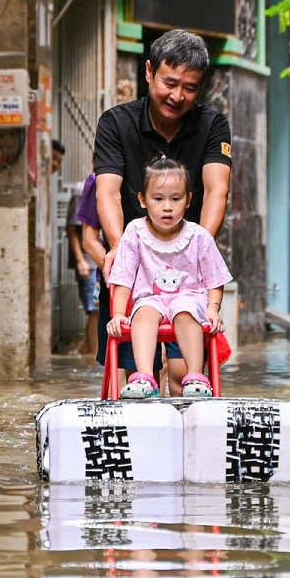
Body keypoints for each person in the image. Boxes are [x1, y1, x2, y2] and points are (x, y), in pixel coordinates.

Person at [92, 30, 233, 391]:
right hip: (133, 260)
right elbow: (107, 191)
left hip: (188, 272)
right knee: (130, 373)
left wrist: (196, 249)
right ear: (149, 71)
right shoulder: (115, 123)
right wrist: (117, 248)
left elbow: (218, 189)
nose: (178, 96)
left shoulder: (212, 125)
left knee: (185, 375)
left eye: (189, 87)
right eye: (170, 82)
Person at [106, 157, 232, 399]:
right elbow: (123, 278)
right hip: (150, 299)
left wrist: (213, 309)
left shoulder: (198, 236)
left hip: (190, 298)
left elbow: (215, 280)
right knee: (143, 311)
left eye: (176, 199)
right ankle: (145, 378)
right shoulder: (134, 232)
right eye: (158, 199)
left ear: (188, 201)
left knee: (185, 309)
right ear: (143, 200)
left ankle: (196, 376)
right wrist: (119, 313)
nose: (167, 207)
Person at [66, 168, 111, 360]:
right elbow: (75, 231)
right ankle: (91, 353)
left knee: (97, 310)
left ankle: (88, 350)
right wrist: (81, 260)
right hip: (95, 262)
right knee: (95, 310)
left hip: (103, 261)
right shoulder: (89, 186)